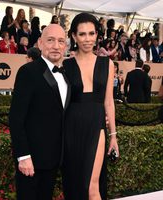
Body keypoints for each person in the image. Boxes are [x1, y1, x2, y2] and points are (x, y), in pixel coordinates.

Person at [9, 24, 70, 200]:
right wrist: (23, 156)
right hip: (32, 160)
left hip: (54, 159)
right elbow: (16, 117)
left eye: (60, 41)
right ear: (40, 43)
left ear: (65, 46)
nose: (56, 46)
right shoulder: (28, 71)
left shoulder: (66, 74)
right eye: (50, 40)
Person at [62, 13, 119, 200]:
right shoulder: (65, 65)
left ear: (97, 35)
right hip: (71, 127)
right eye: (82, 34)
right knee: (75, 183)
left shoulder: (107, 64)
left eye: (91, 33)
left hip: (96, 126)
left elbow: (108, 101)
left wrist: (113, 136)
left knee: (92, 186)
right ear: (74, 36)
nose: (88, 39)